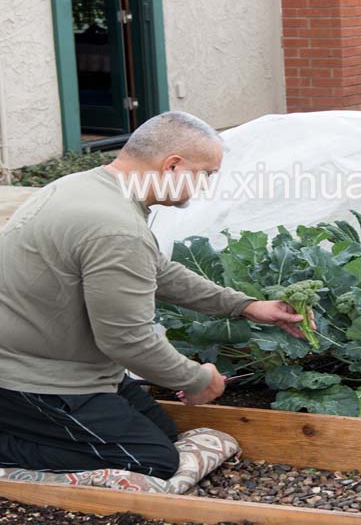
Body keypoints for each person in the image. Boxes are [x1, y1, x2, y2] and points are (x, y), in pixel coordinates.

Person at [0, 111, 311, 479]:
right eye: (206, 174)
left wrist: (246, 306)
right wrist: (196, 380)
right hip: (31, 379)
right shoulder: (115, 227)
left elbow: (157, 271)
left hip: (69, 365)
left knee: (164, 434)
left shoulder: (88, 187)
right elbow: (126, 340)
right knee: (152, 460)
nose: (205, 187)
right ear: (173, 166)